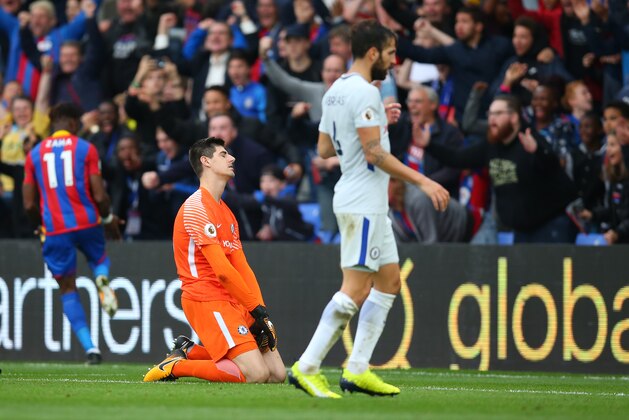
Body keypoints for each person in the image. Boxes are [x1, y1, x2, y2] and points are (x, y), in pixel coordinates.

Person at [288, 20, 449, 398]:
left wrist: (379, 122)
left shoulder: (337, 91)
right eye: (391, 53)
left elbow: (326, 149)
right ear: (373, 52)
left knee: (389, 281)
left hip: (362, 200)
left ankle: (357, 369)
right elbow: (375, 153)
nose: (394, 62)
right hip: (363, 203)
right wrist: (423, 181)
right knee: (356, 289)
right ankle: (306, 366)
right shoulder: (364, 94)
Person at [143, 137, 286, 384]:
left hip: (234, 299)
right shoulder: (196, 207)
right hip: (206, 298)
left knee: (277, 375)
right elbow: (222, 271)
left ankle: (192, 351)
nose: (232, 158)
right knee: (256, 374)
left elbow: (242, 267)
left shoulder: (227, 212)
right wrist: (254, 308)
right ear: (205, 161)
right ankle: (176, 366)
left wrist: (261, 314)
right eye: (223, 154)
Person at [22, 102, 121, 364]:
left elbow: (29, 203)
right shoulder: (85, 148)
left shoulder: (33, 154)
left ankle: (91, 349)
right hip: (87, 222)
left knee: (67, 289)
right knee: (99, 259)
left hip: (55, 229)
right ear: (74, 124)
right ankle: (101, 278)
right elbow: (99, 195)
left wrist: (38, 224)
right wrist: (108, 218)